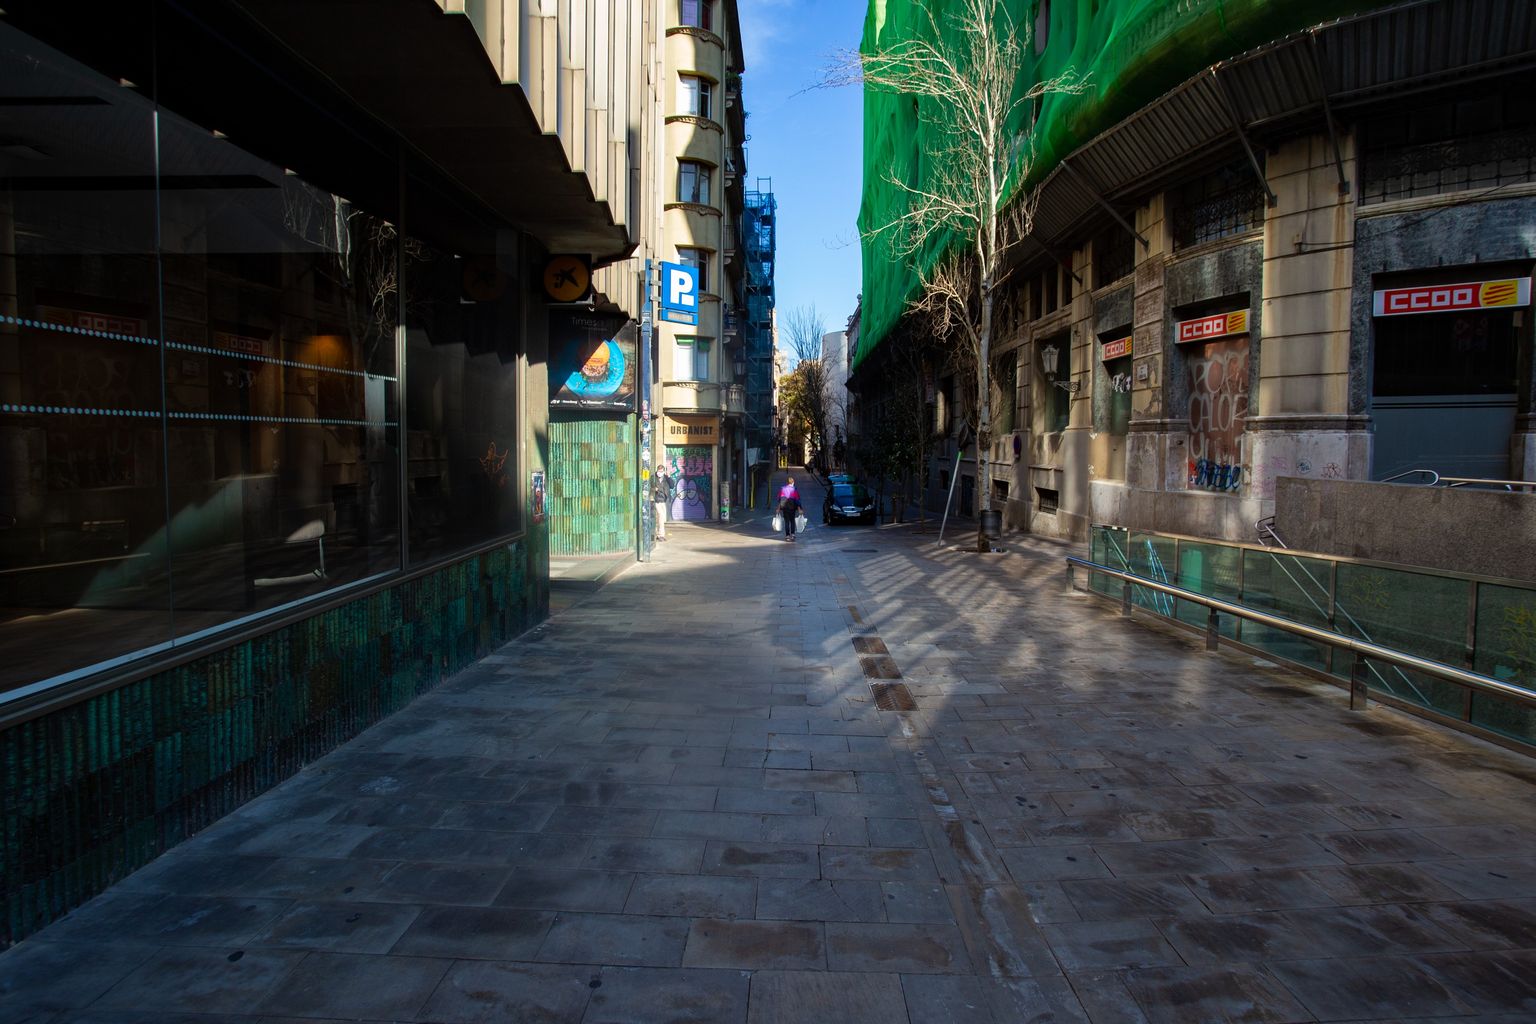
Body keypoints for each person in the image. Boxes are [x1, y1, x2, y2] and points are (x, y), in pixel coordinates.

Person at [651, 467, 675, 541]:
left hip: (663, 500)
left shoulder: (666, 478)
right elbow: (648, 486)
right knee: (660, 515)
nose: (659, 472)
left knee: (661, 518)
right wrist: (654, 489)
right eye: (658, 471)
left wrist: (669, 477)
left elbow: (672, 486)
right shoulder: (653, 478)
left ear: (664, 471)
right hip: (656, 500)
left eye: (661, 471)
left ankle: (657, 533)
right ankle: (660, 535)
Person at [777, 475, 802, 542]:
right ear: (793, 482)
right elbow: (797, 500)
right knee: (792, 521)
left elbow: (779, 499)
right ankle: (793, 535)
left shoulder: (782, 489)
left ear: (787, 482)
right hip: (792, 508)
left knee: (786, 522)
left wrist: (778, 508)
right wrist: (800, 509)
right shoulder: (794, 489)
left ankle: (787, 535)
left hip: (785, 507)